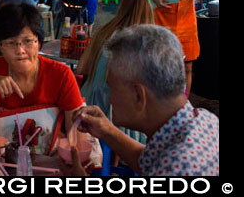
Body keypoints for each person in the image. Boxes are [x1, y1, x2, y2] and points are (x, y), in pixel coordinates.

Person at [67, 25, 218, 176]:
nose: (110, 98)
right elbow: (149, 160)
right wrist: (106, 130)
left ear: (139, 95)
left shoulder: (175, 168)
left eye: (111, 88)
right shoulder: (204, 119)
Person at [0, 3, 85, 138]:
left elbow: (77, 136)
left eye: (28, 41)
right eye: (11, 43)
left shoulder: (61, 75)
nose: (20, 50)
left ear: (39, 43)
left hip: (52, 156)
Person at [76, 0, 155, 145]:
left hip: (89, 103)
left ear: (122, 9)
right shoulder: (145, 43)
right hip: (118, 114)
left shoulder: (103, 32)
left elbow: (80, 69)